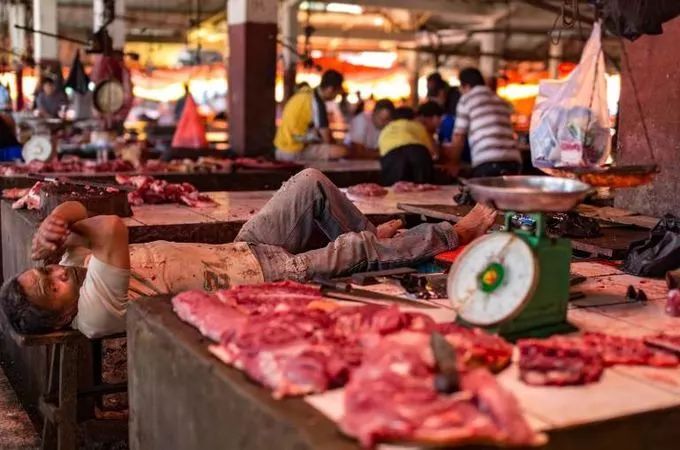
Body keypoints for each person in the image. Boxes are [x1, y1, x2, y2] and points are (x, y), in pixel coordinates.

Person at [0, 169, 496, 338]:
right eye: (50, 288)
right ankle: (457, 234)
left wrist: (58, 219)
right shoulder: (93, 309)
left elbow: (74, 210)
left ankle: (379, 236)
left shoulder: (72, 273)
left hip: (242, 250)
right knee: (355, 250)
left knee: (309, 185)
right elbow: (107, 225)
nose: (55, 275)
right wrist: (73, 226)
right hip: (257, 278)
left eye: (42, 273)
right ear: (60, 319)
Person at [446, 68, 521, 178]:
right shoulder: (500, 100)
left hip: (488, 161)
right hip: (513, 162)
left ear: (465, 86)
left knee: (484, 195)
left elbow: (458, 136)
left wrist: (453, 164)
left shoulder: (466, 99)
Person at [274, 70, 347, 161]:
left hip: (280, 148)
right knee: (342, 151)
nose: (337, 96)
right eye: (338, 92)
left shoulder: (304, 94)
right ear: (330, 89)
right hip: (292, 151)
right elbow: (327, 138)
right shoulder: (317, 103)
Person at [378, 101, 443, 185]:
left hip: (392, 157)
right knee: (424, 190)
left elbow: (381, 151)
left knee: (394, 191)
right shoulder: (418, 126)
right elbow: (434, 153)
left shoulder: (385, 130)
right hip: (418, 153)